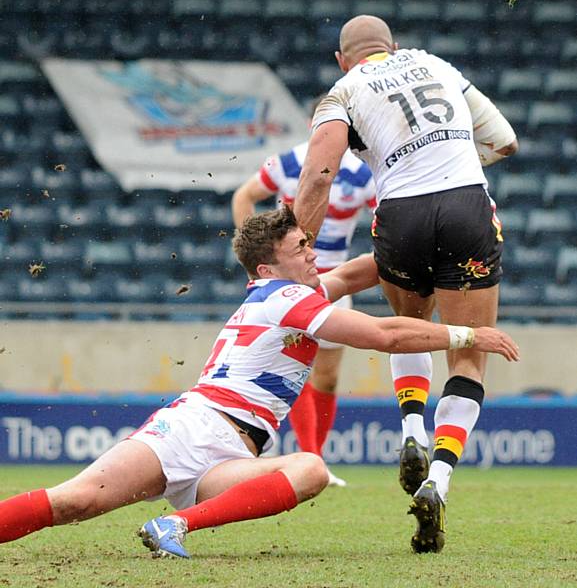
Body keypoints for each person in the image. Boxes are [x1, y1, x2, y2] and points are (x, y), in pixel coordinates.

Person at [0, 207, 519, 559]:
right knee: (74, 502)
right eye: (301, 247)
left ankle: (174, 526)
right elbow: (383, 335)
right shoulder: (286, 299)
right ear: (270, 265)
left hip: (233, 454)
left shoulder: (292, 294)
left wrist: (421, 244)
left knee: (310, 470)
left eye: (310, 243)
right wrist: (468, 332)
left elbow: (367, 270)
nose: (313, 253)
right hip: (193, 426)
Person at [293, 15, 519, 553]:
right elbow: (506, 141)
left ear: (342, 60)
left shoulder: (341, 91)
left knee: (410, 327)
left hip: (400, 214)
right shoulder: (435, 63)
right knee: (468, 356)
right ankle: (437, 480)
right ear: (392, 47)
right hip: (466, 201)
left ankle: (412, 430)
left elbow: (319, 174)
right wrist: (455, 153)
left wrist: (298, 252)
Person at [231, 120, 376, 487]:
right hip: (289, 283)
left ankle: (316, 460)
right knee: (294, 371)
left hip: (335, 281)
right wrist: (257, 257)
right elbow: (243, 196)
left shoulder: (361, 172)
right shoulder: (288, 164)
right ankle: (311, 458)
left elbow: (384, 214)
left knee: (326, 378)